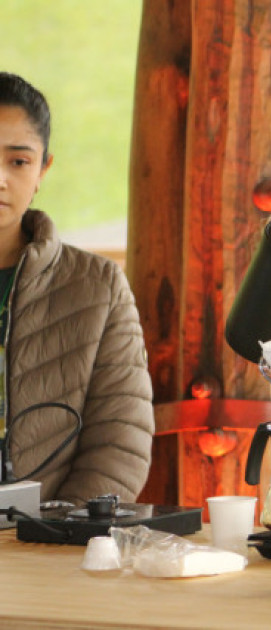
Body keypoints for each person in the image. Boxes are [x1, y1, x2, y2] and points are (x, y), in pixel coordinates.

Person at [0, 72, 153, 504]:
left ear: (43, 168)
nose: (1, 179)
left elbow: (120, 444)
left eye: (18, 161)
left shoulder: (98, 287)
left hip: (45, 550)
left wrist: (50, 537)